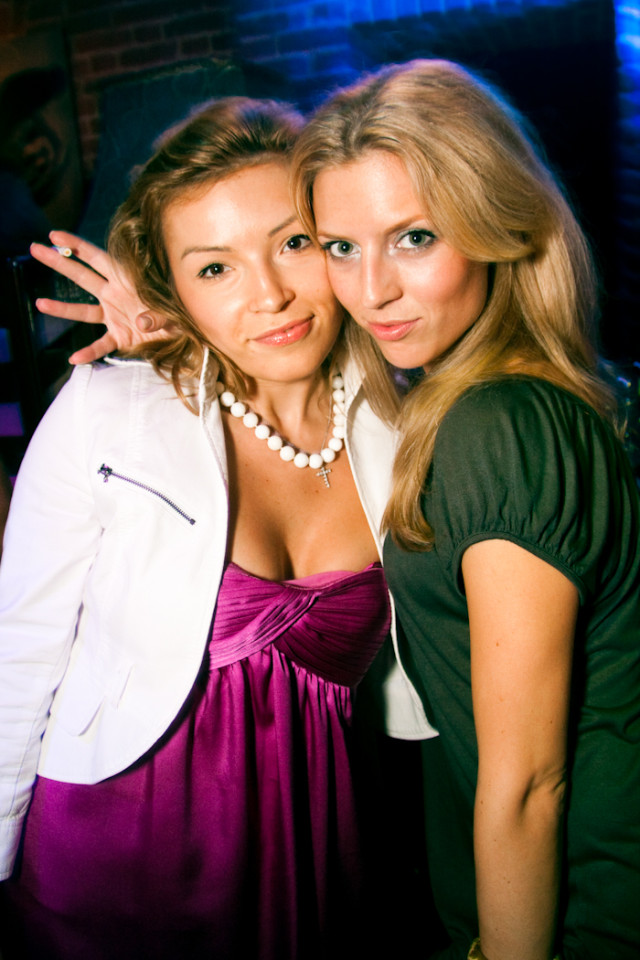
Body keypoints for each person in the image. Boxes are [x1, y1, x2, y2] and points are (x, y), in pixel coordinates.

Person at [0, 95, 435, 960]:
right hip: (112, 860)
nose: (269, 295)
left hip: (319, 851)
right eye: (214, 269)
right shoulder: (109, 413)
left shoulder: (409, 420)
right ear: (171, 289)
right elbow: (21, 654)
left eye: (293, 243)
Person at [289, 59, 640, 960]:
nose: (373, 290)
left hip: (576, 914)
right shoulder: (490, 392)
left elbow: (526, 785)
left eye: (413, 238)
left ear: (494, 225)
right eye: (340, 247)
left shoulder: (500, 425)